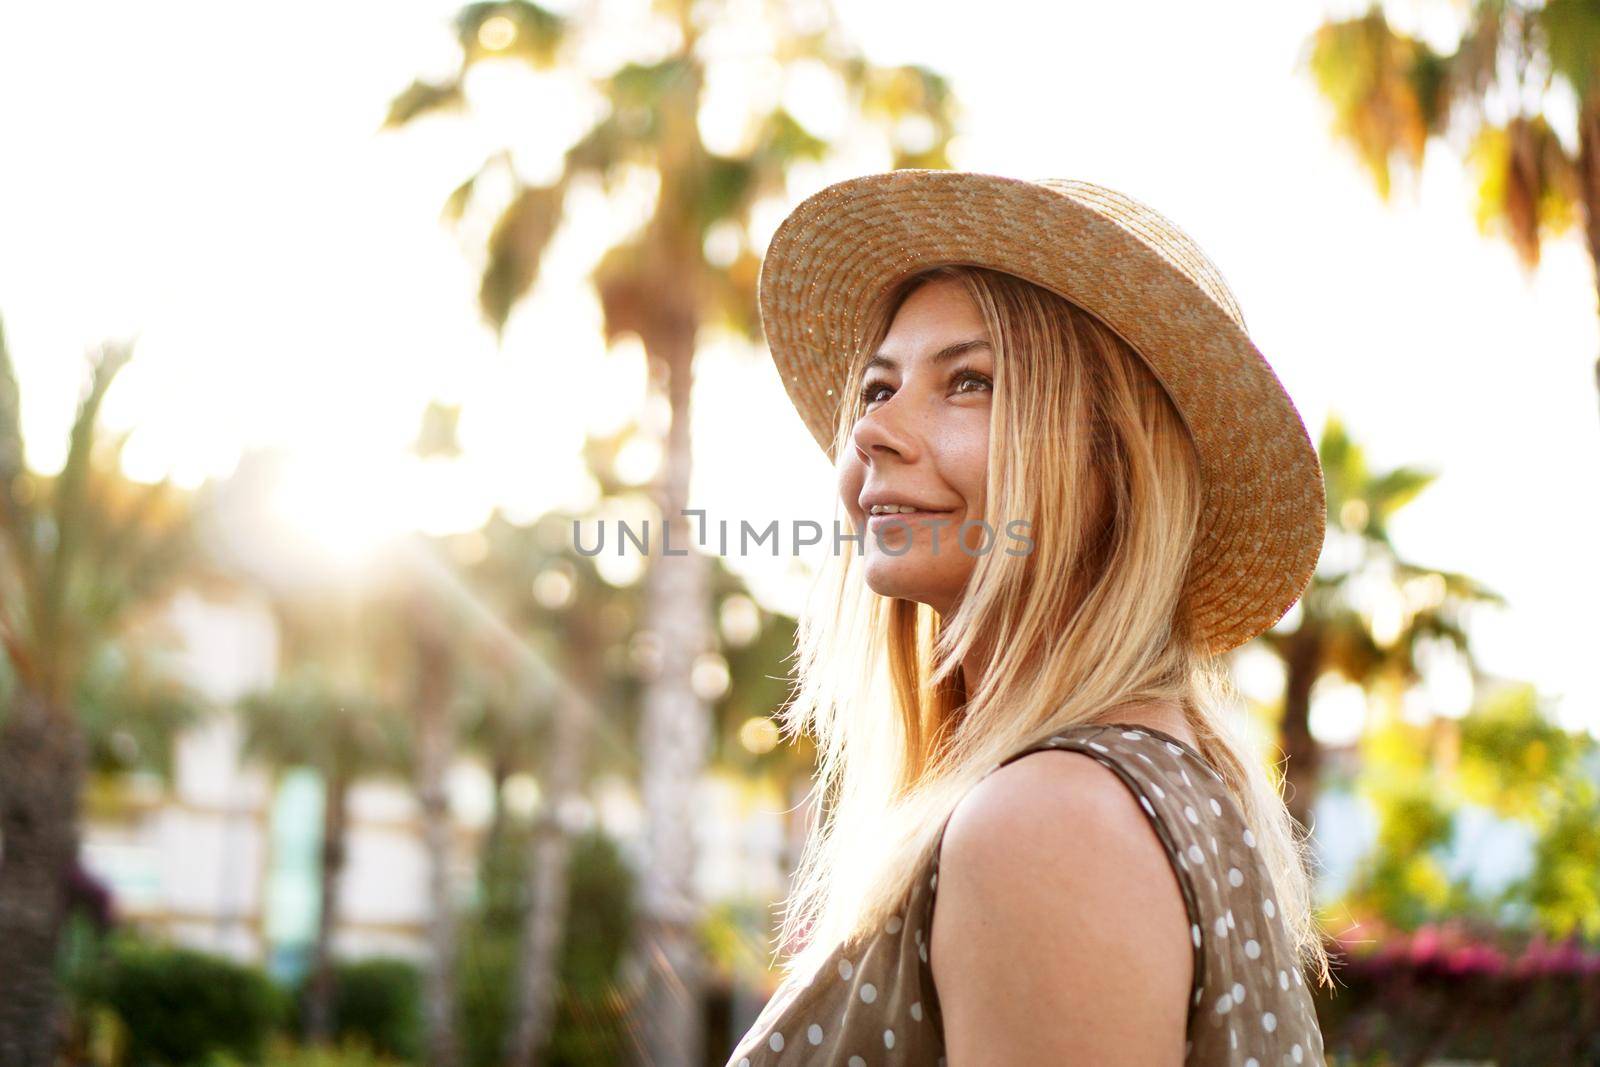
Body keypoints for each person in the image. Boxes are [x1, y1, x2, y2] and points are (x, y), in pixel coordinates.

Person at [723, 171, 1333, 1066]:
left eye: (968, 381)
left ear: (1112, 460)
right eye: (877, 389)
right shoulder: (1124, 785)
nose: (871, 433)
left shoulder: (1051, 820)